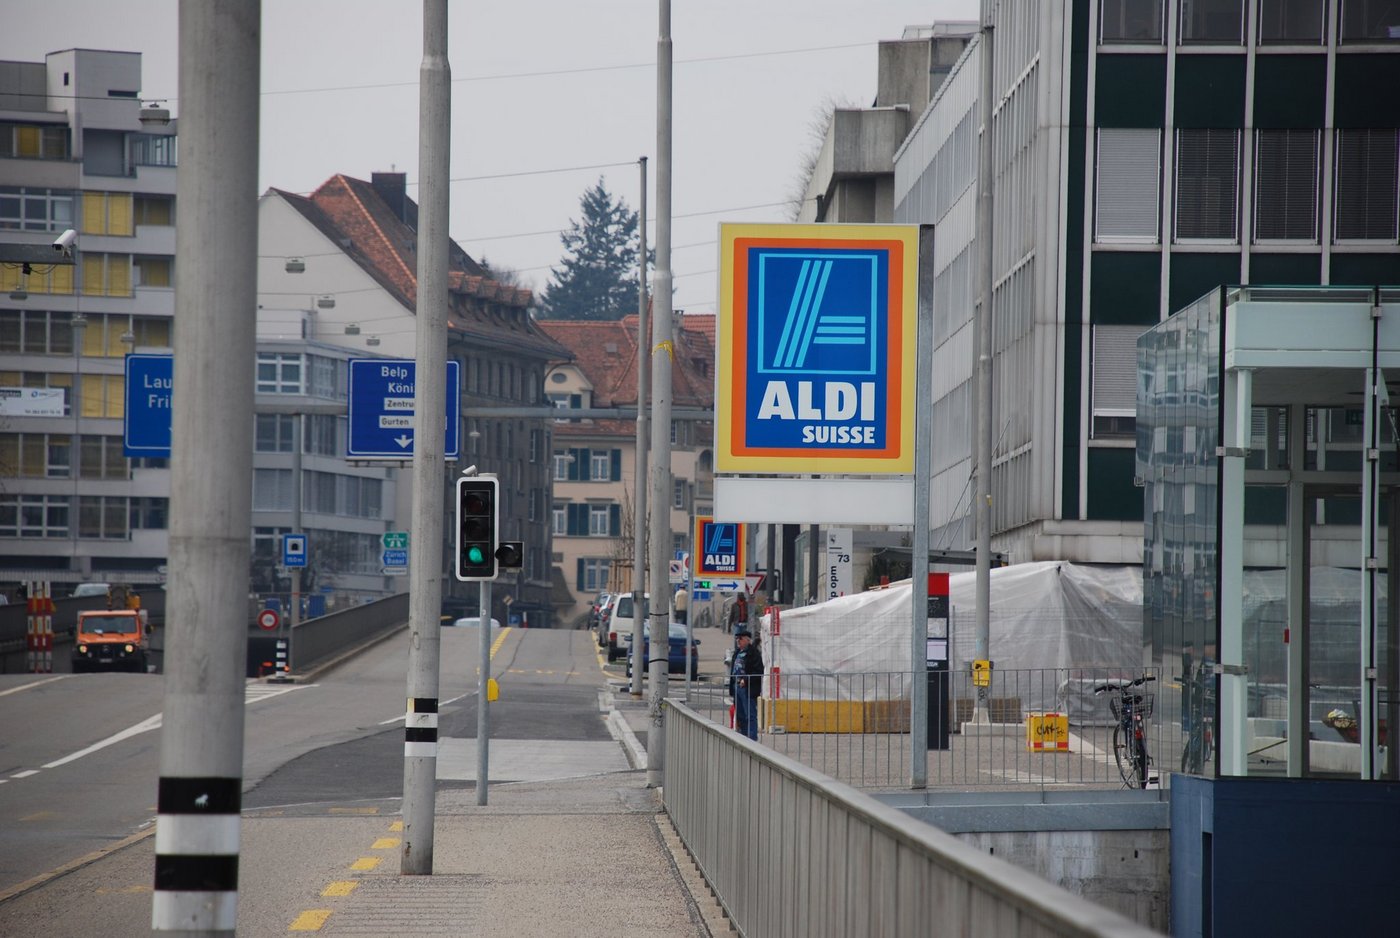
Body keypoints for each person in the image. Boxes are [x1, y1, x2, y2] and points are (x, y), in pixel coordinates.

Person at [730, 627, 764, 740]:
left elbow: (758, 671)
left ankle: (752, 738)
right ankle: (742, 737)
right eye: (737, 639)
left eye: (740, 639)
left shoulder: (753, 653)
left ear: (747, 640)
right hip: (737, 686)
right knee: (740, 715)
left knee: (750, 714)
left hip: (747, 688)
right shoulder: (737, 653)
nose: (738, 641)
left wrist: (746, 679)